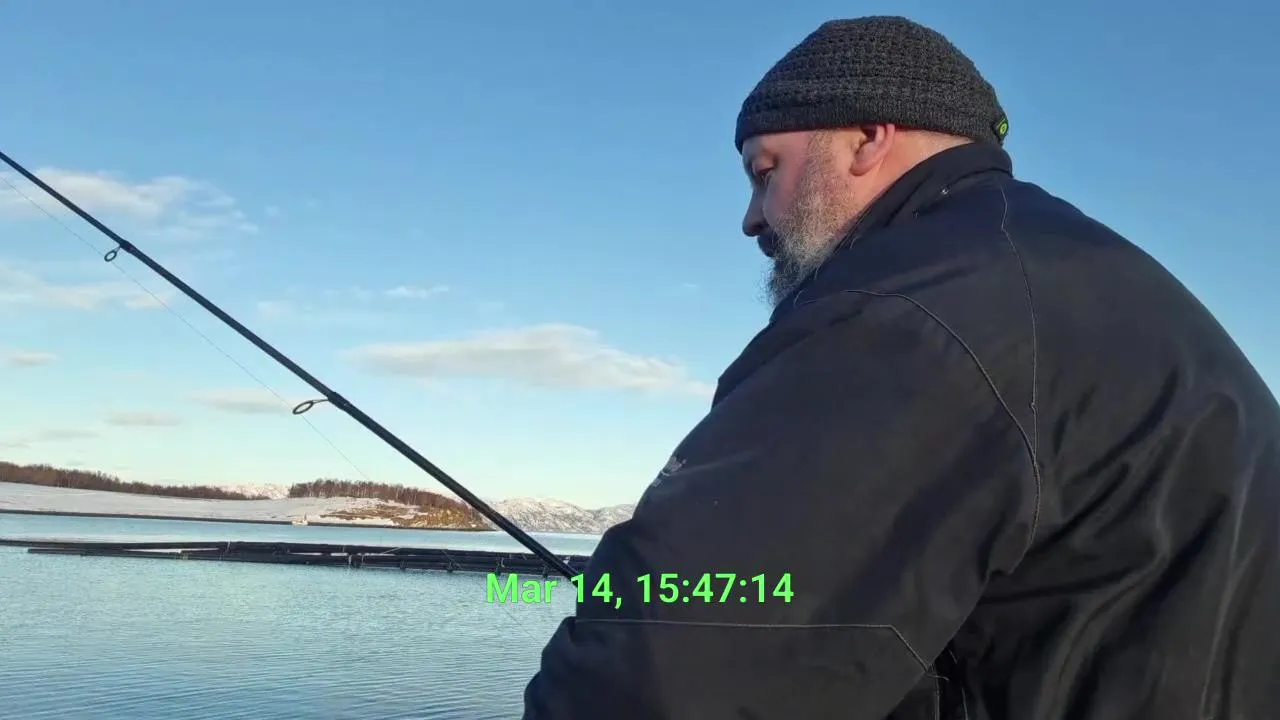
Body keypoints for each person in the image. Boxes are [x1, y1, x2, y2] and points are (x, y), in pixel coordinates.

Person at [522, 15, 1280, 719]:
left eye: (765, 171)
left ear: (867, 138)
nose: (752, 218)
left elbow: (666, 667)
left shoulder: (907, 316)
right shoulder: (1101, 289)